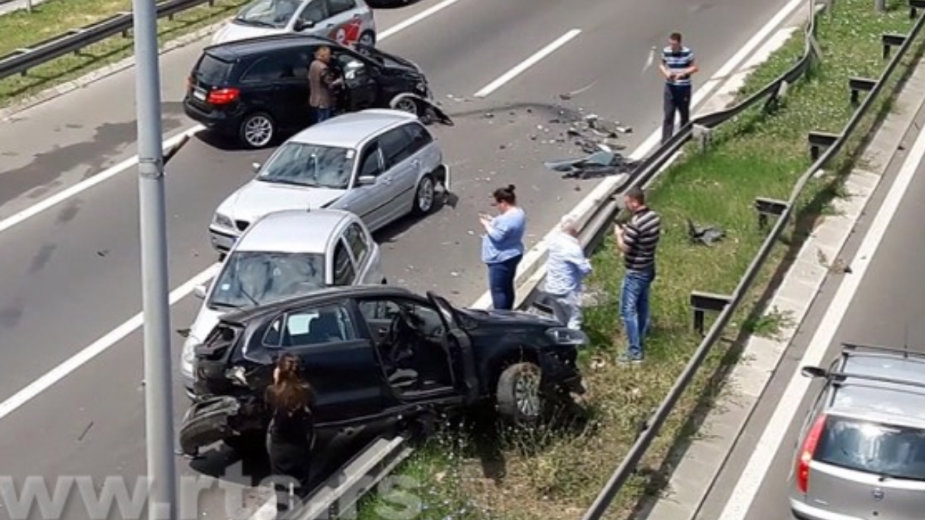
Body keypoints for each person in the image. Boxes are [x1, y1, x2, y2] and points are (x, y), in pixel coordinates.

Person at [614, 186, 661, 363]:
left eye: (627, 203)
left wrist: (620, 235)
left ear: (634, 201)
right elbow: (641, 239)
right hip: (648, 267)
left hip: (635, 271)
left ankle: (634, 352)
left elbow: (625, 247)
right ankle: (642, 335)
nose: (626, 206)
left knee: (628, 310)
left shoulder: (636, 223)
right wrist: (630, 232)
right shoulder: (653, 217)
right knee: (642, 305)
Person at [264, 353, 315, 512]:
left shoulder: (272, 392)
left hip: (279, 447)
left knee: (281, 491)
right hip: (300, 445)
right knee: (302, 487)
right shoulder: (307, 392)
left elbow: (268, 412)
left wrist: (276, 381)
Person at [479, 184, 526, 310]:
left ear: (503, 202)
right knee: (507, 286)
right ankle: (508, 311)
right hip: (513, 253)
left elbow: (498, 236)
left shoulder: (508, 219)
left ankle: (500, 316)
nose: (497, 207)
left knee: (498, 290)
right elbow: (504, 227)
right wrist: (493, 220)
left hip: (501, 258)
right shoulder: (519, 213)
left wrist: (486, 225)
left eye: (497, 204)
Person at [542, 216, 593, 330]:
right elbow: (585, 269)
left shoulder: (554, 241)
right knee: (575, 318)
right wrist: (588, 263)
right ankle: (571, 344)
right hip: (567, 290)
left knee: (559, 319)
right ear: (575, 230)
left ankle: (558, 342)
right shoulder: (573, 248)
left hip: (551, 287)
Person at [659, 32, 699, 143]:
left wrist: (683, 73)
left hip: (683, 88)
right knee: (668, 114)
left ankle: (684, 138)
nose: (672, 47)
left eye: (674, 45)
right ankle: (666, 141)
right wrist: (666, 72)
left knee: (684, 113)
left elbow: (694, 67)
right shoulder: (666, 51)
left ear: (679, 43)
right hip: (670, 87)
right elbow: (662, 64)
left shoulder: (687, 53)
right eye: (671, 44)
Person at [308, 45, 343, 124]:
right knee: (324, 122)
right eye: (328, 55)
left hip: (314, 99)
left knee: (317, 122)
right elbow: (329, 83)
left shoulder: (313, 64)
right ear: (323, 56)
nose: (330, 57)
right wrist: (339, 81)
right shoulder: (323, 68)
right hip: (323, 101)